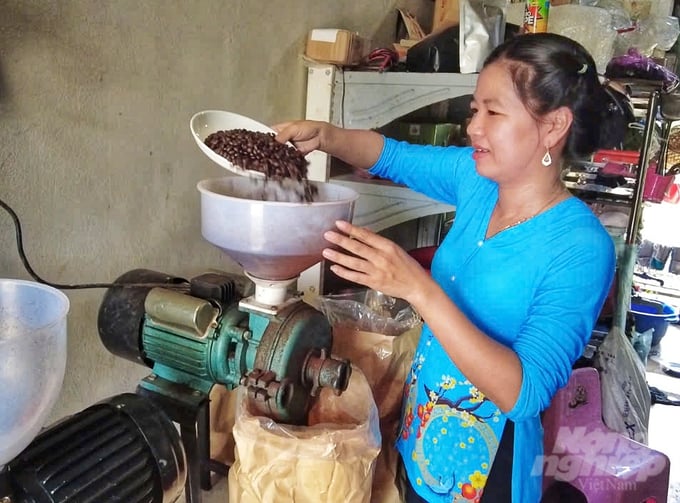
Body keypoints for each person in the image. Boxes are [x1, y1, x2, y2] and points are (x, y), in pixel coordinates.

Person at [274, 33, 617, 503]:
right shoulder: (477, 180)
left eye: (493, 112)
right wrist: (328, 137)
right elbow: (391, 156)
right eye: (475, 110)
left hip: (485, 471)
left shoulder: (581, 248)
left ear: (554, 126)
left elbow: (526, 392)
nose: (474, 127)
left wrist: (420, 289)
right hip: (423, 430)